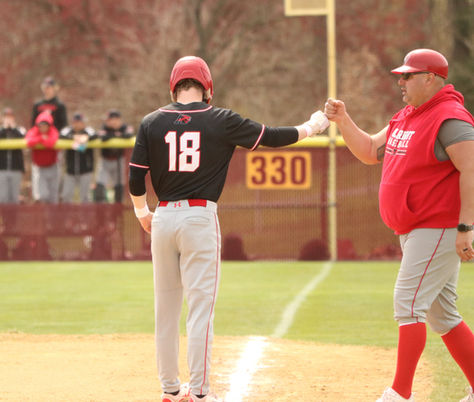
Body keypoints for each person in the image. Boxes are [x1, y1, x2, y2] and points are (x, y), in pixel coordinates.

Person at [128, 56, 329, 402]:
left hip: (163, 217)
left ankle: (170, 390)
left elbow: (135, 177)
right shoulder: (221, 119)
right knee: (200, 310)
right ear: (207, 87)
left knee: (166, 309)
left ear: (173, 86)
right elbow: (272, 137)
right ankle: (200, 393)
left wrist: (143, 212)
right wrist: (313, 126)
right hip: (198, 217)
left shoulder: (151, 121)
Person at [324, 48, 474, 402]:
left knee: (407, 304)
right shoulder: (408, 116)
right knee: (443, 316)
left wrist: (466, 227)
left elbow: (471, 168)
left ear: (431, 78)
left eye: (408, 75)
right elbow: (369, 151)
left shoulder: (449, 117)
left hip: (437, 226)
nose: (401, 82)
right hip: (416, 229)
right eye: (400, 76)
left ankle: (400, 394)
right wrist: (344, 120)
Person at [94, 109, 133, 203]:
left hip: (119, 160)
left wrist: (112, 135)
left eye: (114, 119)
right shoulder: (104, 127)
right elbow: (103, 137)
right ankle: (100, 208)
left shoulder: (125, 127)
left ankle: (118, 208)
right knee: (100, 185)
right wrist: (116, 135)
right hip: (105, 160)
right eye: (110, 120)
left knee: (119, 185)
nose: (112, 122)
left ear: (119, 119)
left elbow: (128, 135)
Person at [60, 112, 97, 203]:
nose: (79, 124)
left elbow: (95, 136)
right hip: (70, 169)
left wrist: (83, 138)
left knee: (85, 197)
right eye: (76, 122)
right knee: (66, 195)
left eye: (81, 122)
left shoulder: (88, 130)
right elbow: (61, 135)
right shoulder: (68, 130)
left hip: (86, 169)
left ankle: (85, 213)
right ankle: (67, 212)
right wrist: (78, 138)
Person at [26, 111, 60, 203]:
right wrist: (41, 138)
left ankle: (52, 212)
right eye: (41, 125)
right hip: (39, 167)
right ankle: (42, 211)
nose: (43, 127)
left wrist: (42, 141)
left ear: (49, 125)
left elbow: (52, 142)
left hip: (52, 166)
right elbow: (29, 141)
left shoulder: (53, 131)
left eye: (45, 125)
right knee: (42, 195)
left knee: (53, 196)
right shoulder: (34, 131)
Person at [0, 108, 26, 203]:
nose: (8, 119)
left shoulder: (20, 129)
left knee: (14, 198)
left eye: (10, 116)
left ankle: (14, 214)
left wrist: (13, 128)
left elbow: (25, 137)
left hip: (16, 168)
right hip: (2, 168)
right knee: (2, 197)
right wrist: (4, 128)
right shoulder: (1, 130)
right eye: (6, 116)